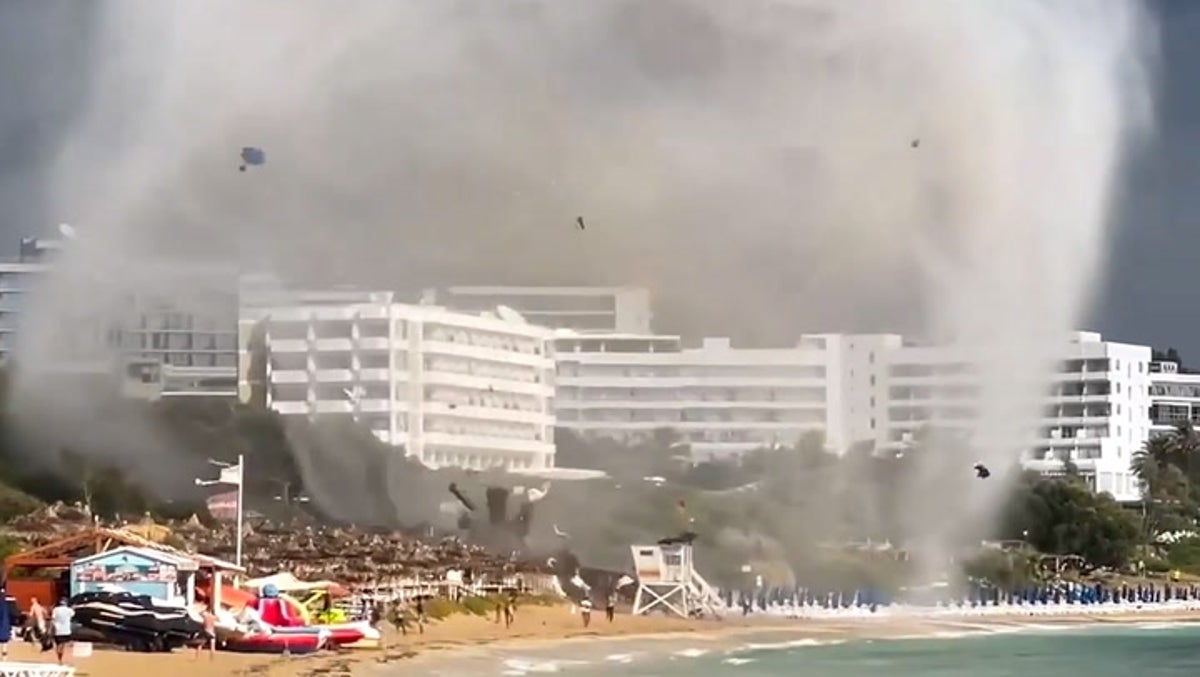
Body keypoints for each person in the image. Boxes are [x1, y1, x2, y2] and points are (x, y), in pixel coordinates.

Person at [51, 598, 74, 665]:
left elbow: (53, 618)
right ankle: (60, 658)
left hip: (57, 630)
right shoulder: (69, 610)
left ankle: (59, 658)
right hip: (66, 630)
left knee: (58, 644)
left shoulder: (55, 610)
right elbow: (73, 615)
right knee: (63, 644)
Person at [0, 587, 11, 660]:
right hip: (5, 627)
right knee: (4, 643)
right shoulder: (6, 605)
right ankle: (4, 658)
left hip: (3, 626)